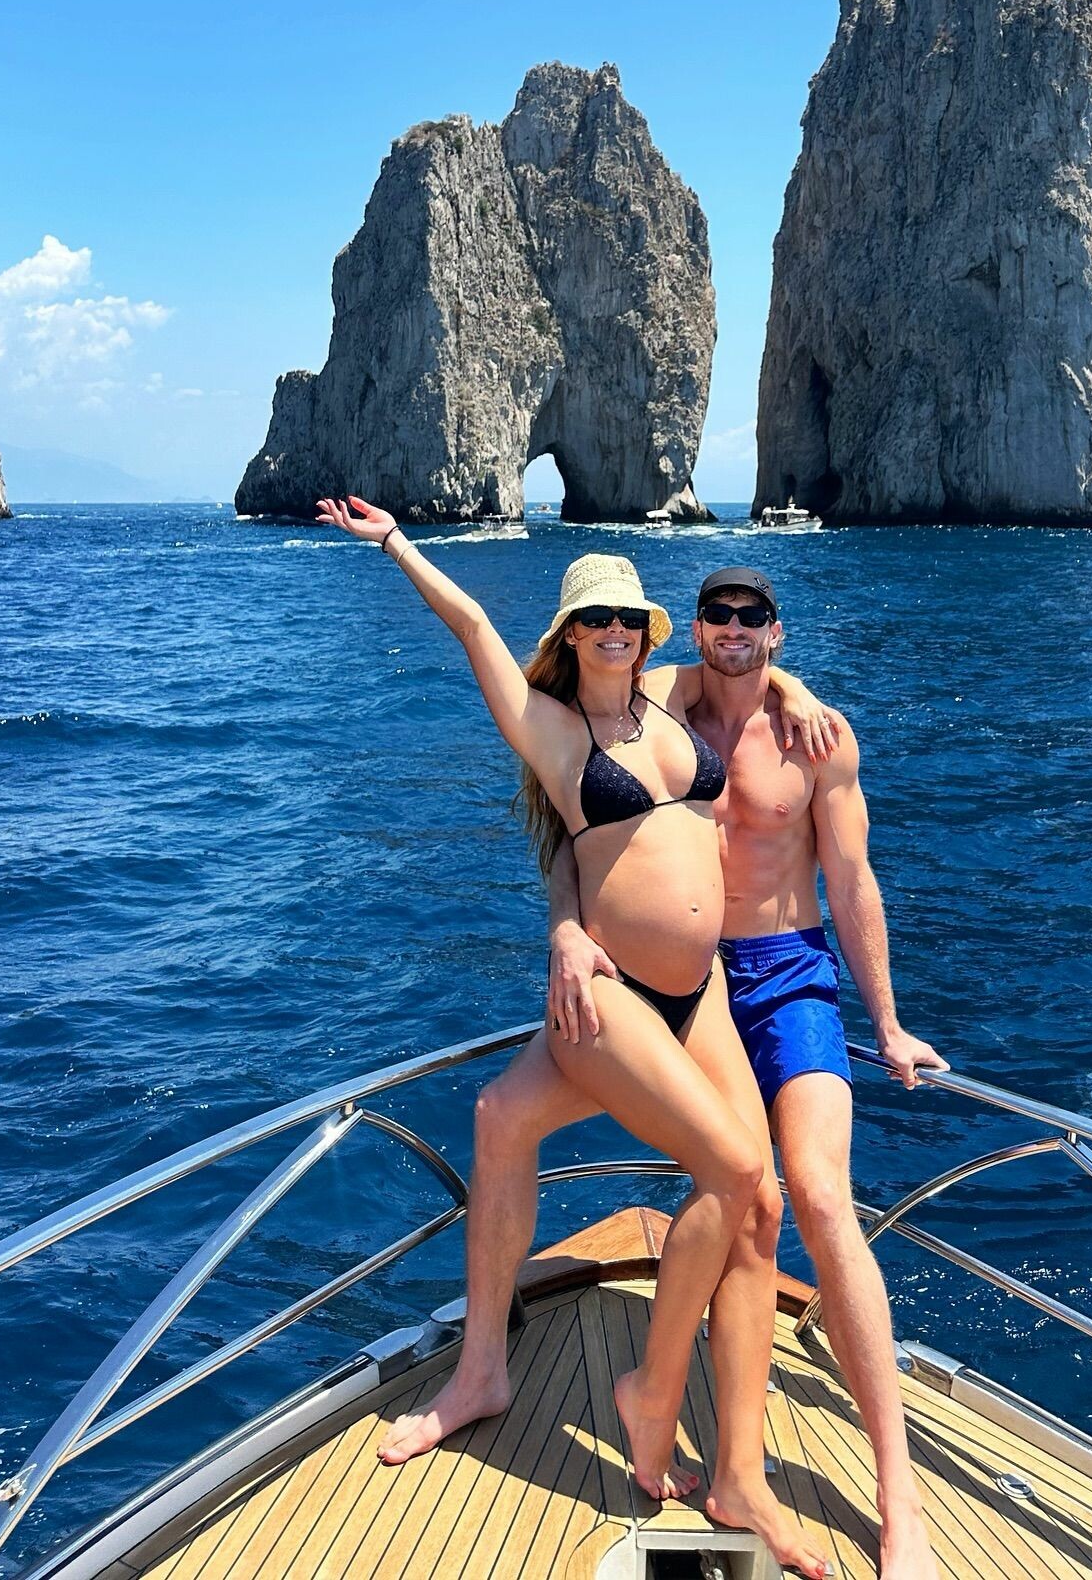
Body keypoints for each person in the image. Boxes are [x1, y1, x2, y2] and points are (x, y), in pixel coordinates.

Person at [315, 498, 828, 1580]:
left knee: (754, 1204)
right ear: (570, 632)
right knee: (736, 1172)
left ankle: (740, 1473)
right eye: (596, 619)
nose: (614, 633)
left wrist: (795, 688)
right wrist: (399, 544)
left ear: (646, 631)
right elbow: (472, 628)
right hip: (613, 1001)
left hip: (701, 997)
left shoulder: (666, 703)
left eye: (629, 619)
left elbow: (747, 665)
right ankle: (642, 1390)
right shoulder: (551, 729)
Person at [455, 564, 950, 1579]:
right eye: (718, 614)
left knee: (816, 1196)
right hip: (683, 985)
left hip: (789, 977)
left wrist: (891, 1025)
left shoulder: (819, 735)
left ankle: (898, 1495)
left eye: (752, 616)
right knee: (539, 1126)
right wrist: (564, 929)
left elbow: (853, 879)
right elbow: (576, 822)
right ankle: (544, 1387)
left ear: (775, 629)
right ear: (689, 628)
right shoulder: (658, 697)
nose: (733, 628)